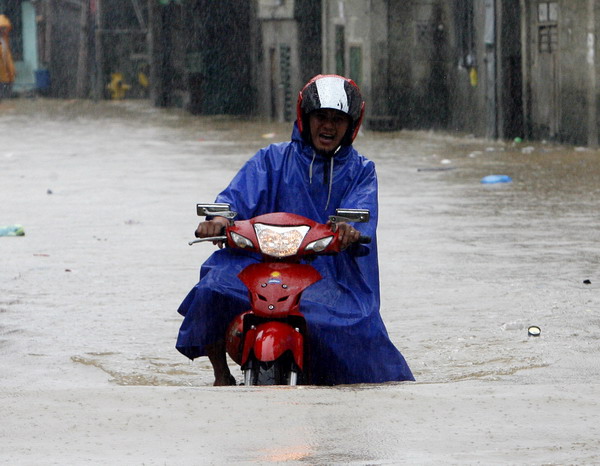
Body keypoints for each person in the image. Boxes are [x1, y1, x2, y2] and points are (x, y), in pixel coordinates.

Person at [176, 74, 414, 386]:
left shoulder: (361, 171)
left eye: (337, 120)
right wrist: (219, 221)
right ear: (305, 118)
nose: (328, 127)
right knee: (212, 286)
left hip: (330, 272)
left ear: (351, 125)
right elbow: (233, 199)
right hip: (261, 263)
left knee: (361, 332)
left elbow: (361, 213)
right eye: (321, 117)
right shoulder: (271, 159)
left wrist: (349, 230)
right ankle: (221, 375)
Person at [0, 15, 15, 100]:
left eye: (5, 28)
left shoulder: (5, 41)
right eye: (3, 28)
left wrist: (12, 71)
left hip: (8, 79)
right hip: (2, 79)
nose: (5, 30)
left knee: (6, 101)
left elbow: (8, 59)